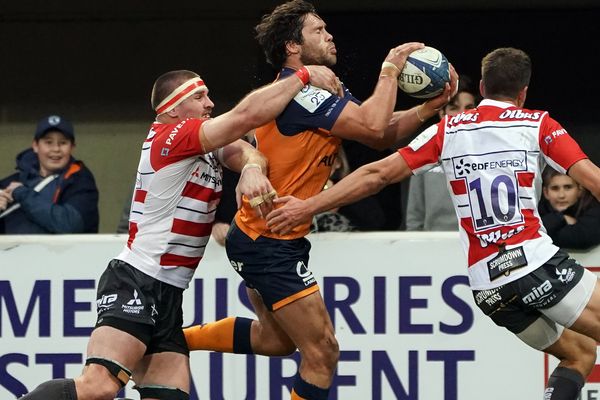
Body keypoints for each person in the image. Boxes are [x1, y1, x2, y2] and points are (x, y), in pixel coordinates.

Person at [267, 47, 600, 400]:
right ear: (523, 93)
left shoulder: (448, 130)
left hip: (488, 288)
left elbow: (376, 174)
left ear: (483, 87)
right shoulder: (537, 124)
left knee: (578, 354)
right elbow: (592, 180)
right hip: (531, 262)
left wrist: (308, 206)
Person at [182, 1, 458, 399]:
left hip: (271, 236)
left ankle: (175, 339)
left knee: (276, 342)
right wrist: (390, 69)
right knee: (323, 353)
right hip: (268, 240)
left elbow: (376, 134)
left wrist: (428, 108)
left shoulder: (316, 90)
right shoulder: (300, 95)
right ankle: (171, 340)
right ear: (293, 47)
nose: (329, 35)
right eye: (318, 30)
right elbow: (373, 123)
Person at [19, 65, 340, 400]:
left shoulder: (201, 143)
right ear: (172, 108)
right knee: (98, 387)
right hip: (137, 279)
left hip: (169, 293)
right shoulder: (171, 137)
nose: (210, 103)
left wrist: (250, 169)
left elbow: (249, 150)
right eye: (199, 96)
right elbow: (245, 117)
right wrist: (300, 77)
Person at [0, 115, 99, 234]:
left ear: (72, 148)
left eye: (63, 143)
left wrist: (22, 193)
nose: (56, 149)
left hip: (67, 253)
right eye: (48, 142)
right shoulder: (10, 184)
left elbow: (69, 225)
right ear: (36, 146)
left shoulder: (81, 181)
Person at [405, 76, 478, 231]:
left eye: (469, 108)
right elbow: (414, 218)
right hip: (433, 248)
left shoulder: (491, 153)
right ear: (442, 113)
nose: (462, 114)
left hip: (479, 249)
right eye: (454, 107)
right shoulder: (423, 153)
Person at [539, 168, 600, 249]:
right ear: (546, 192)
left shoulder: (594, 208)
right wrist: (561, 218)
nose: (561, 195)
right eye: (555, 188)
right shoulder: (534, 209)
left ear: (580, 190)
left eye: (568, 187)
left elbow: (583, 238)